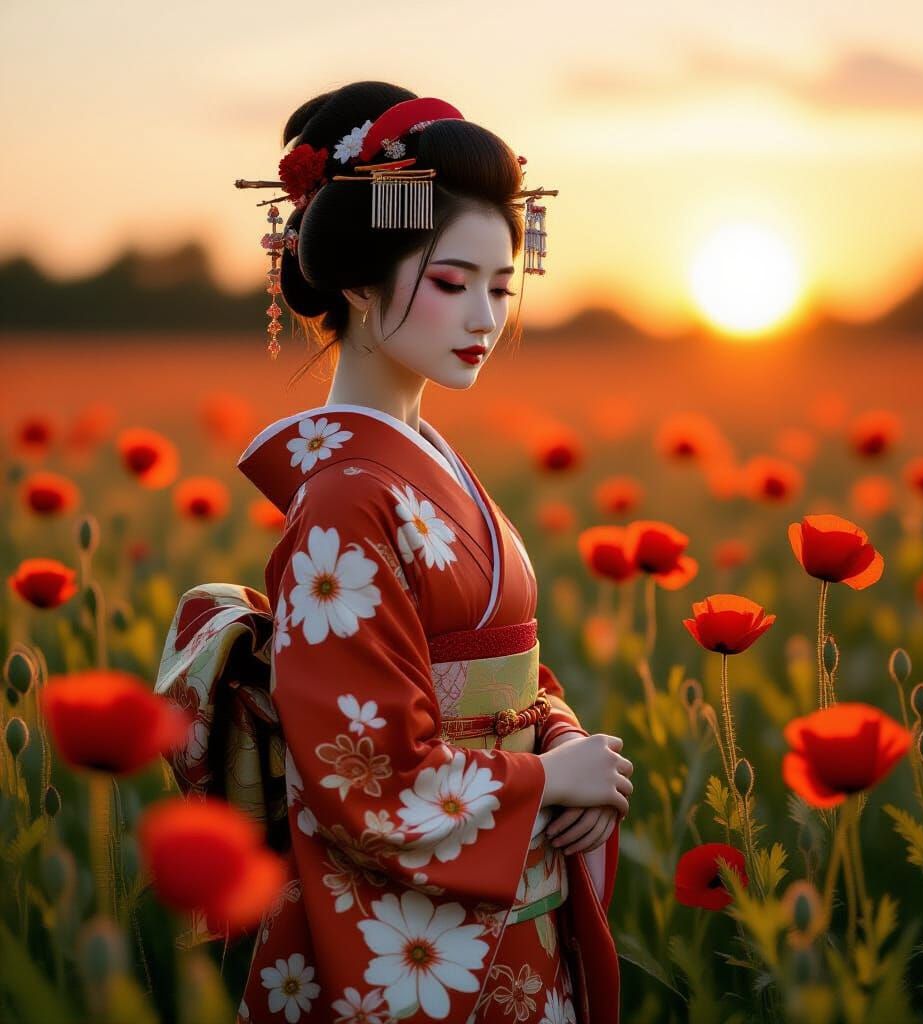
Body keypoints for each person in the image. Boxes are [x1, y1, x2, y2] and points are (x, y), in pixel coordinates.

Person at [156, 80, 632, 1024]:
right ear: (361, 281)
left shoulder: (426, 464)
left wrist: (566, 743)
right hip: (406, 941)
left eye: (501, 288)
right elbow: (358, 774)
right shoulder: (346, 498)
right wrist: (539, 780)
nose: (485, 319)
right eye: (453, 283)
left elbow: (505, 676)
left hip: (505, 909)